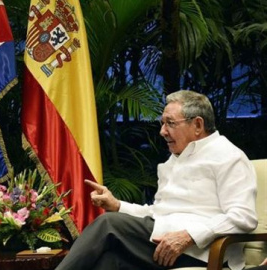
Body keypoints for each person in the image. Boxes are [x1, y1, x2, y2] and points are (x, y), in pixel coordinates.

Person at [55, 90, 257, 270]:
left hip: (203, 253)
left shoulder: (229, 156)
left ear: (197, 125)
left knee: (107, 223)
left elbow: (243, 217)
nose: (162, 131)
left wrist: (189, 236)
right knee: (108, 260)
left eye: (170, 123)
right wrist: (117, 205)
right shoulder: (176, 158)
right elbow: (158, 213)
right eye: (162, 123)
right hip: (161, 242)